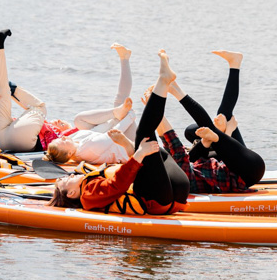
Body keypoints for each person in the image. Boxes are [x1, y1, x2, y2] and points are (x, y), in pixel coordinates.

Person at [47, 50, 190, 215]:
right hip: (155, 199)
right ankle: (162, 82)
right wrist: (138, 155)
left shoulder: (89, 186)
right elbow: (117, 185)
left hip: (176, 192)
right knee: (144, 137)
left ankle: (132, 145)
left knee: (155, 149)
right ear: (71, 193)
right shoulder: (87, 195)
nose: (67, 176)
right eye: (64, 181)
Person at [162, 51, 266, 191]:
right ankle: (178, 91)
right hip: (246, 170)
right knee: (215, 123)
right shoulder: (185, 168)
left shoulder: (190, 163)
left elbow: (167, 138)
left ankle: (234, 64)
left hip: (237, 162)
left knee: (193, 131)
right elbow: (170, 137)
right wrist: (228, 132)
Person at [45, 44, 138, 165]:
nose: (62, 137)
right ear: (69, 154)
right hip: (128, 143)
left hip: (110, 136)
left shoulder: (74, 143)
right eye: (63, 141)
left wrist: (115, 116)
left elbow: (97, 131)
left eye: (59, 139)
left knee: (79, 120)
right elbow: (116, 134)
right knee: (120, 101)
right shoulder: (89, 149)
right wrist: (129, 116)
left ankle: (116, 112)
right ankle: (124, 58)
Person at [0, 29, 48, 152]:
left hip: (16, 139)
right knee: (1, 94)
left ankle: (8, 85)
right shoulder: (32, 123)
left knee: (40, 107)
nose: (59, 122)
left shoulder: (64, 135)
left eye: (62, 124)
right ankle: (0, 46)